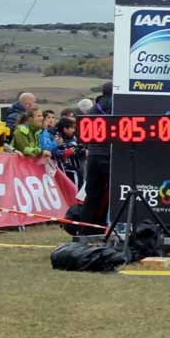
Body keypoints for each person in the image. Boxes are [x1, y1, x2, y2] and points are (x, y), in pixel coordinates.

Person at [79, 83, 113, 235]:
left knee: (92, 194)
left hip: (93, 155)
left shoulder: (93, 109)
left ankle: (84, 229)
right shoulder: (117, 106)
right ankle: (110, 227)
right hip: (111, 155)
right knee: (118, 193)